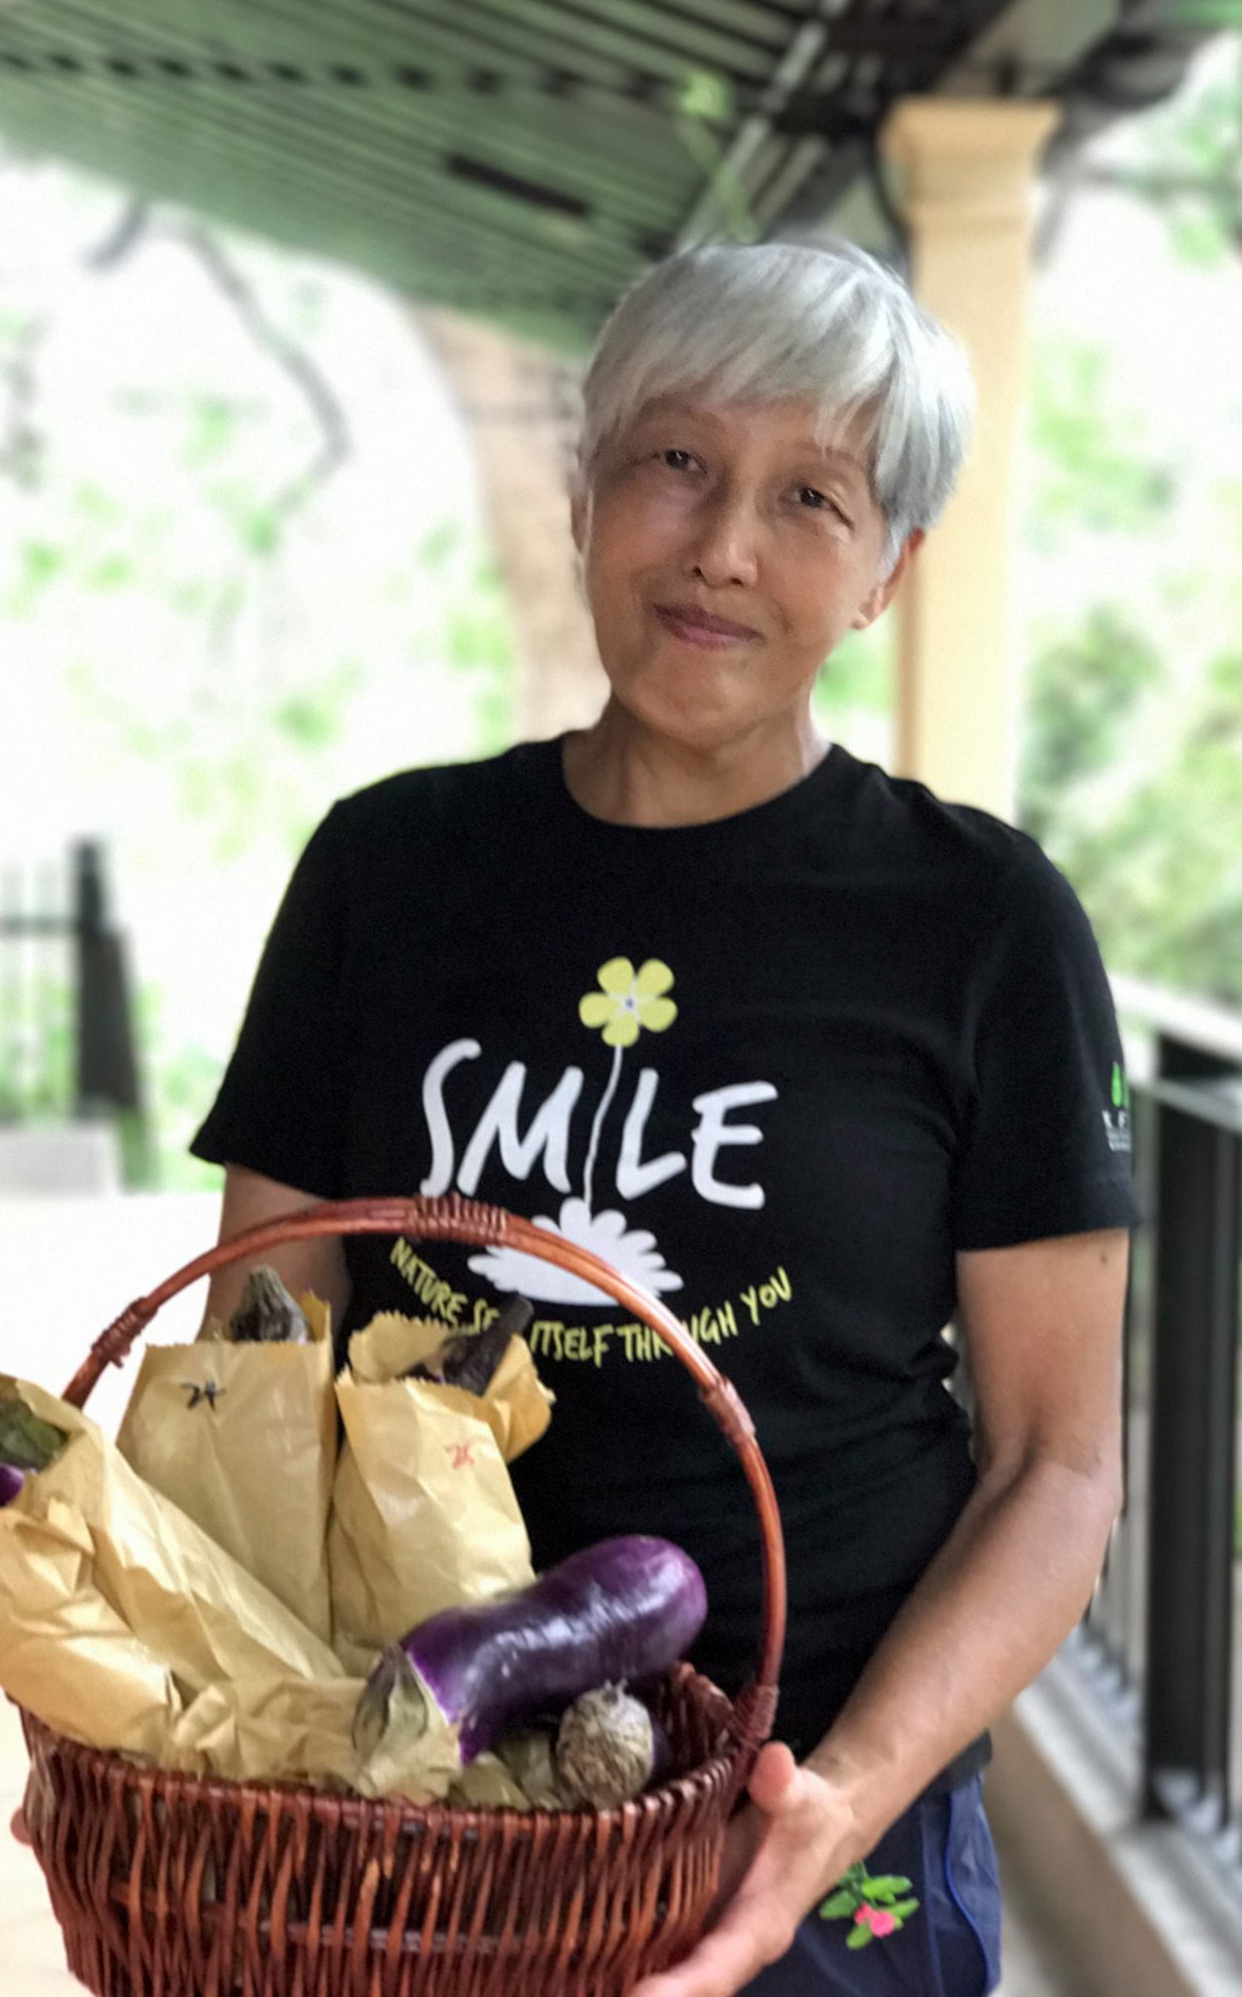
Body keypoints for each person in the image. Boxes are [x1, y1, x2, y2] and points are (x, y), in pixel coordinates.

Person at [192, 238, 1136, 1997]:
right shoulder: (387, 875)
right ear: (585, 490)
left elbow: (1057, 1466)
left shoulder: (982, 923)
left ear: (886, 575)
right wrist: (183, 1712)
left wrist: (838, 1805)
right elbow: (254, 1359)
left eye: (811, 497)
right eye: (678, 460)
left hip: (823, 1790)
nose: (721, 546)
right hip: (418, 1787)